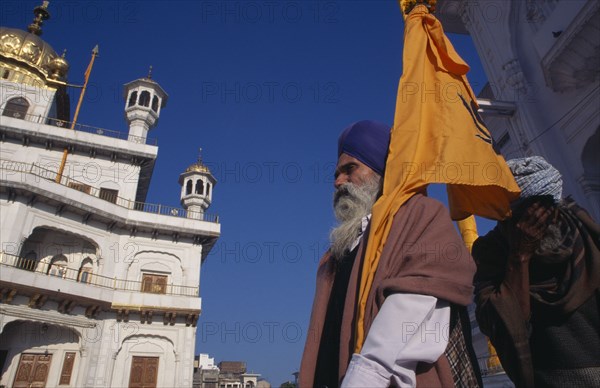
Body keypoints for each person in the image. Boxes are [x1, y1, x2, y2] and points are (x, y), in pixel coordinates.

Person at [299, 120, 481, 387]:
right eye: (336, 175)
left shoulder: (421, 215)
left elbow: (407, 312)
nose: (338, 182)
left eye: (350, 169)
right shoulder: (333, 256)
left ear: (382, 171)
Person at [473, 156, 600, 387]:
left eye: (542, 211)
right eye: (526, 215)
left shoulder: (582, 232)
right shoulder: (493, 252)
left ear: (554, 207)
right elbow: (503, 327)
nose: (535, 223)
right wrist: (520, 256)